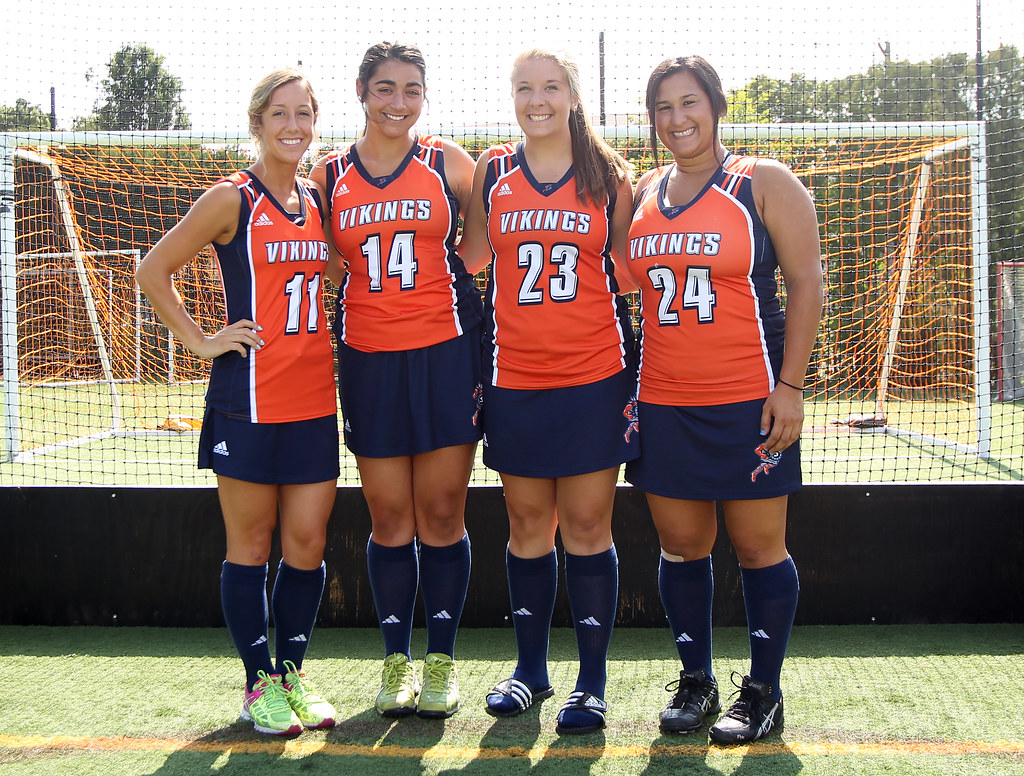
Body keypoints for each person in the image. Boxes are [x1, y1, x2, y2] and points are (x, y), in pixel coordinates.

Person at [623, 56, 824, 744]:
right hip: (665, 401)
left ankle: (763, 692)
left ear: (716, 106)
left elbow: (807, 284)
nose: (677, 119)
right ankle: (697, 681)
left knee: (760, 547)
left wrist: (790, 388)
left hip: (748, 401)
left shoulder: (763, 182)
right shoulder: (647, 189)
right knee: (682, 546)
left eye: (689, 103)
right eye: (663, 108)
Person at [136, 69, 340, 736]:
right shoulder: (232, 198)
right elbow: (152, 270)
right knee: (249, 546)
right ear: (257, 123)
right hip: (246, 399)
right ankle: (258, 686)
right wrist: (200, 341)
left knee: (306, 544)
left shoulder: (317, 200)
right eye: (280, 113)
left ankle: (294, 675)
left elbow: (335, 275)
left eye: (304, 113)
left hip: (313, 399)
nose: (293, 125)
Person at [458, 48, 637, 736]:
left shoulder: (609, 175)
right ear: (513, 96)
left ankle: (590, 685)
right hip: (514, 379)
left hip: (594, 376)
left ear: (572, 95)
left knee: (589, 526)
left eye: (550, 87)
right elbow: (471, 259)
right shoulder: (494, 171)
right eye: (525, 88)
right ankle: (531, 672)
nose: (537, 99)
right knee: (529, 527)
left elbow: (627, 272)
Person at [309, 42, 482, 720]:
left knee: (441, 513)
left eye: (412, 89)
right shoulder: (330, 175)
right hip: (370, 358)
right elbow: (319, 258)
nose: (398, 102)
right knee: (389, 516)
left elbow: (483, 238)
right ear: (361, 91)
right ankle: (394, 662)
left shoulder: (448, 161)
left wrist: (451, 279)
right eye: (385, 89)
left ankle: (440, 662)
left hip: (444, 355)